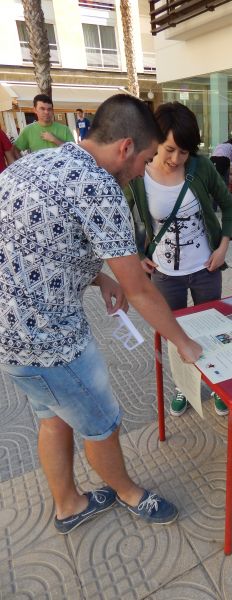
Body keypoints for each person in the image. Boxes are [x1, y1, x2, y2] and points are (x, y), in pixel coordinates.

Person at [0, 94, 202, 535]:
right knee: (101, 423)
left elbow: (36, 244)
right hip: (51, 343)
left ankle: (68, 504)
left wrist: (98, 277)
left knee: (53, 416)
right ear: (126, 147)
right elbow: (140, 290)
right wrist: (184, 342)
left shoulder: (32, 164)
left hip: (9, 339)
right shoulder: (100, 189)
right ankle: (129, 492)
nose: (144, 170)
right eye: (146, 158)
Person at [124, 102, 232, 417]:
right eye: (170, 149)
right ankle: (183, 387)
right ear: (155, 141)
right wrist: (137, 255)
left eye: (184, 152)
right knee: (174, 334)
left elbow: (227, 204)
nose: (176, 159)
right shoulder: (139, 174)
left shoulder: (201, 168)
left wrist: (223, 247)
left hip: (205, 268)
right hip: (164, 273)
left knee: (211, 329)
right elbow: (119, 219)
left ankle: (217, 384)